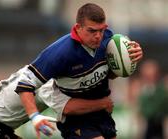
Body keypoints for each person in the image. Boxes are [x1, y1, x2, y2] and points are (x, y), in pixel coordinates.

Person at [14, 3, 143, 139]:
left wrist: (130, 59)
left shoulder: (108, 40)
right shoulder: (60, 53)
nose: (98, 36)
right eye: (92, 31)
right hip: (76, 120)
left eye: (102, 30)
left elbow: (110, 75)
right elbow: (25, 83)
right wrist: (34, 116)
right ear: (78, 28)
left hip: (102, 115)